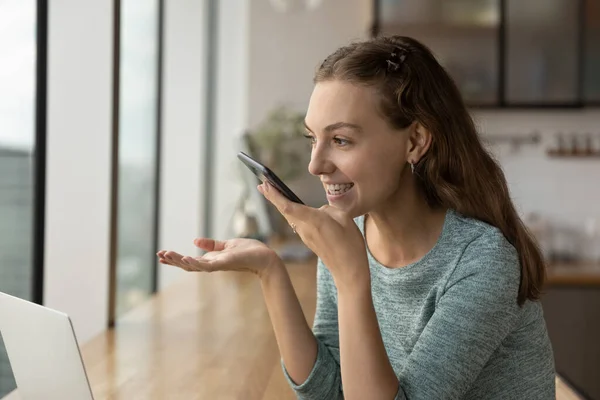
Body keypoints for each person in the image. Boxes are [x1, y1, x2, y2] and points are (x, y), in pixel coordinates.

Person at [157, 35, 555, 399]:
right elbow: (330, 392)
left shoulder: (482, 262)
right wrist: (269, 271)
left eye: (341, 140)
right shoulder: (351, 235)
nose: (316, 165)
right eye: (313, 138)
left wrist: (351, 278)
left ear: (414, 141)